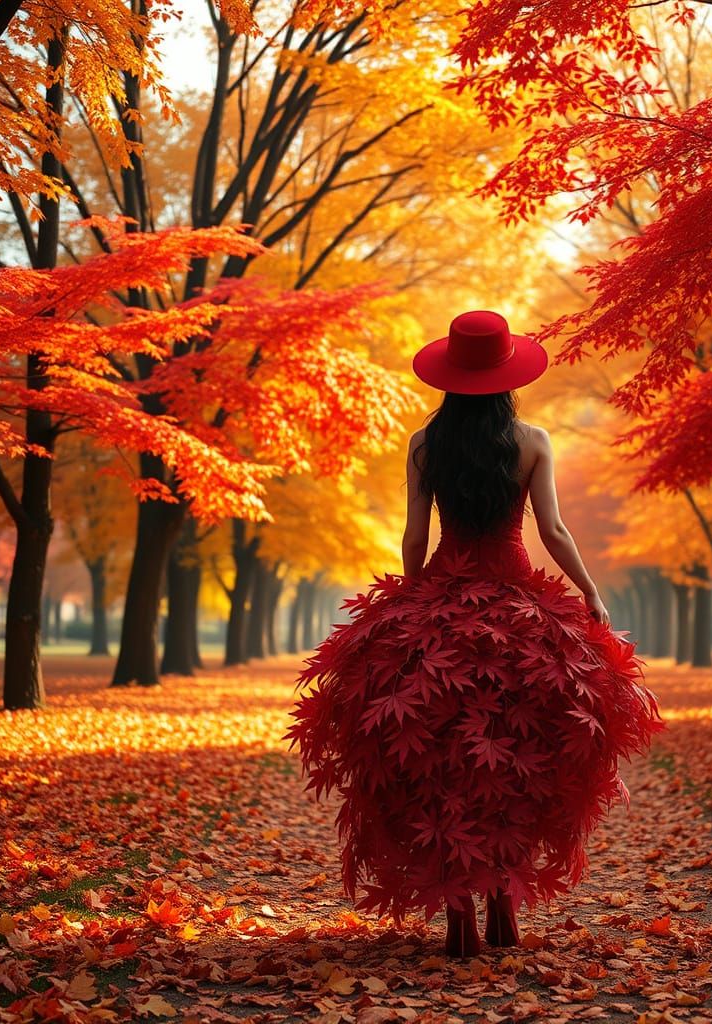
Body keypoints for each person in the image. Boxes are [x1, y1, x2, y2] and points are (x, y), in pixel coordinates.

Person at [283, 310, 666, 958]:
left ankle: (457, 910)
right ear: (508, 374)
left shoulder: (424, 445)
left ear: (451, 376)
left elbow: (413, 537)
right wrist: (590, 592)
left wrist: (408, 600)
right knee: (518, 754)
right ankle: (503, 907)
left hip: (442, 595)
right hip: (520, 604)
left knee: (442, 759)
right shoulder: (534, 440)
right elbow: (554, 532)